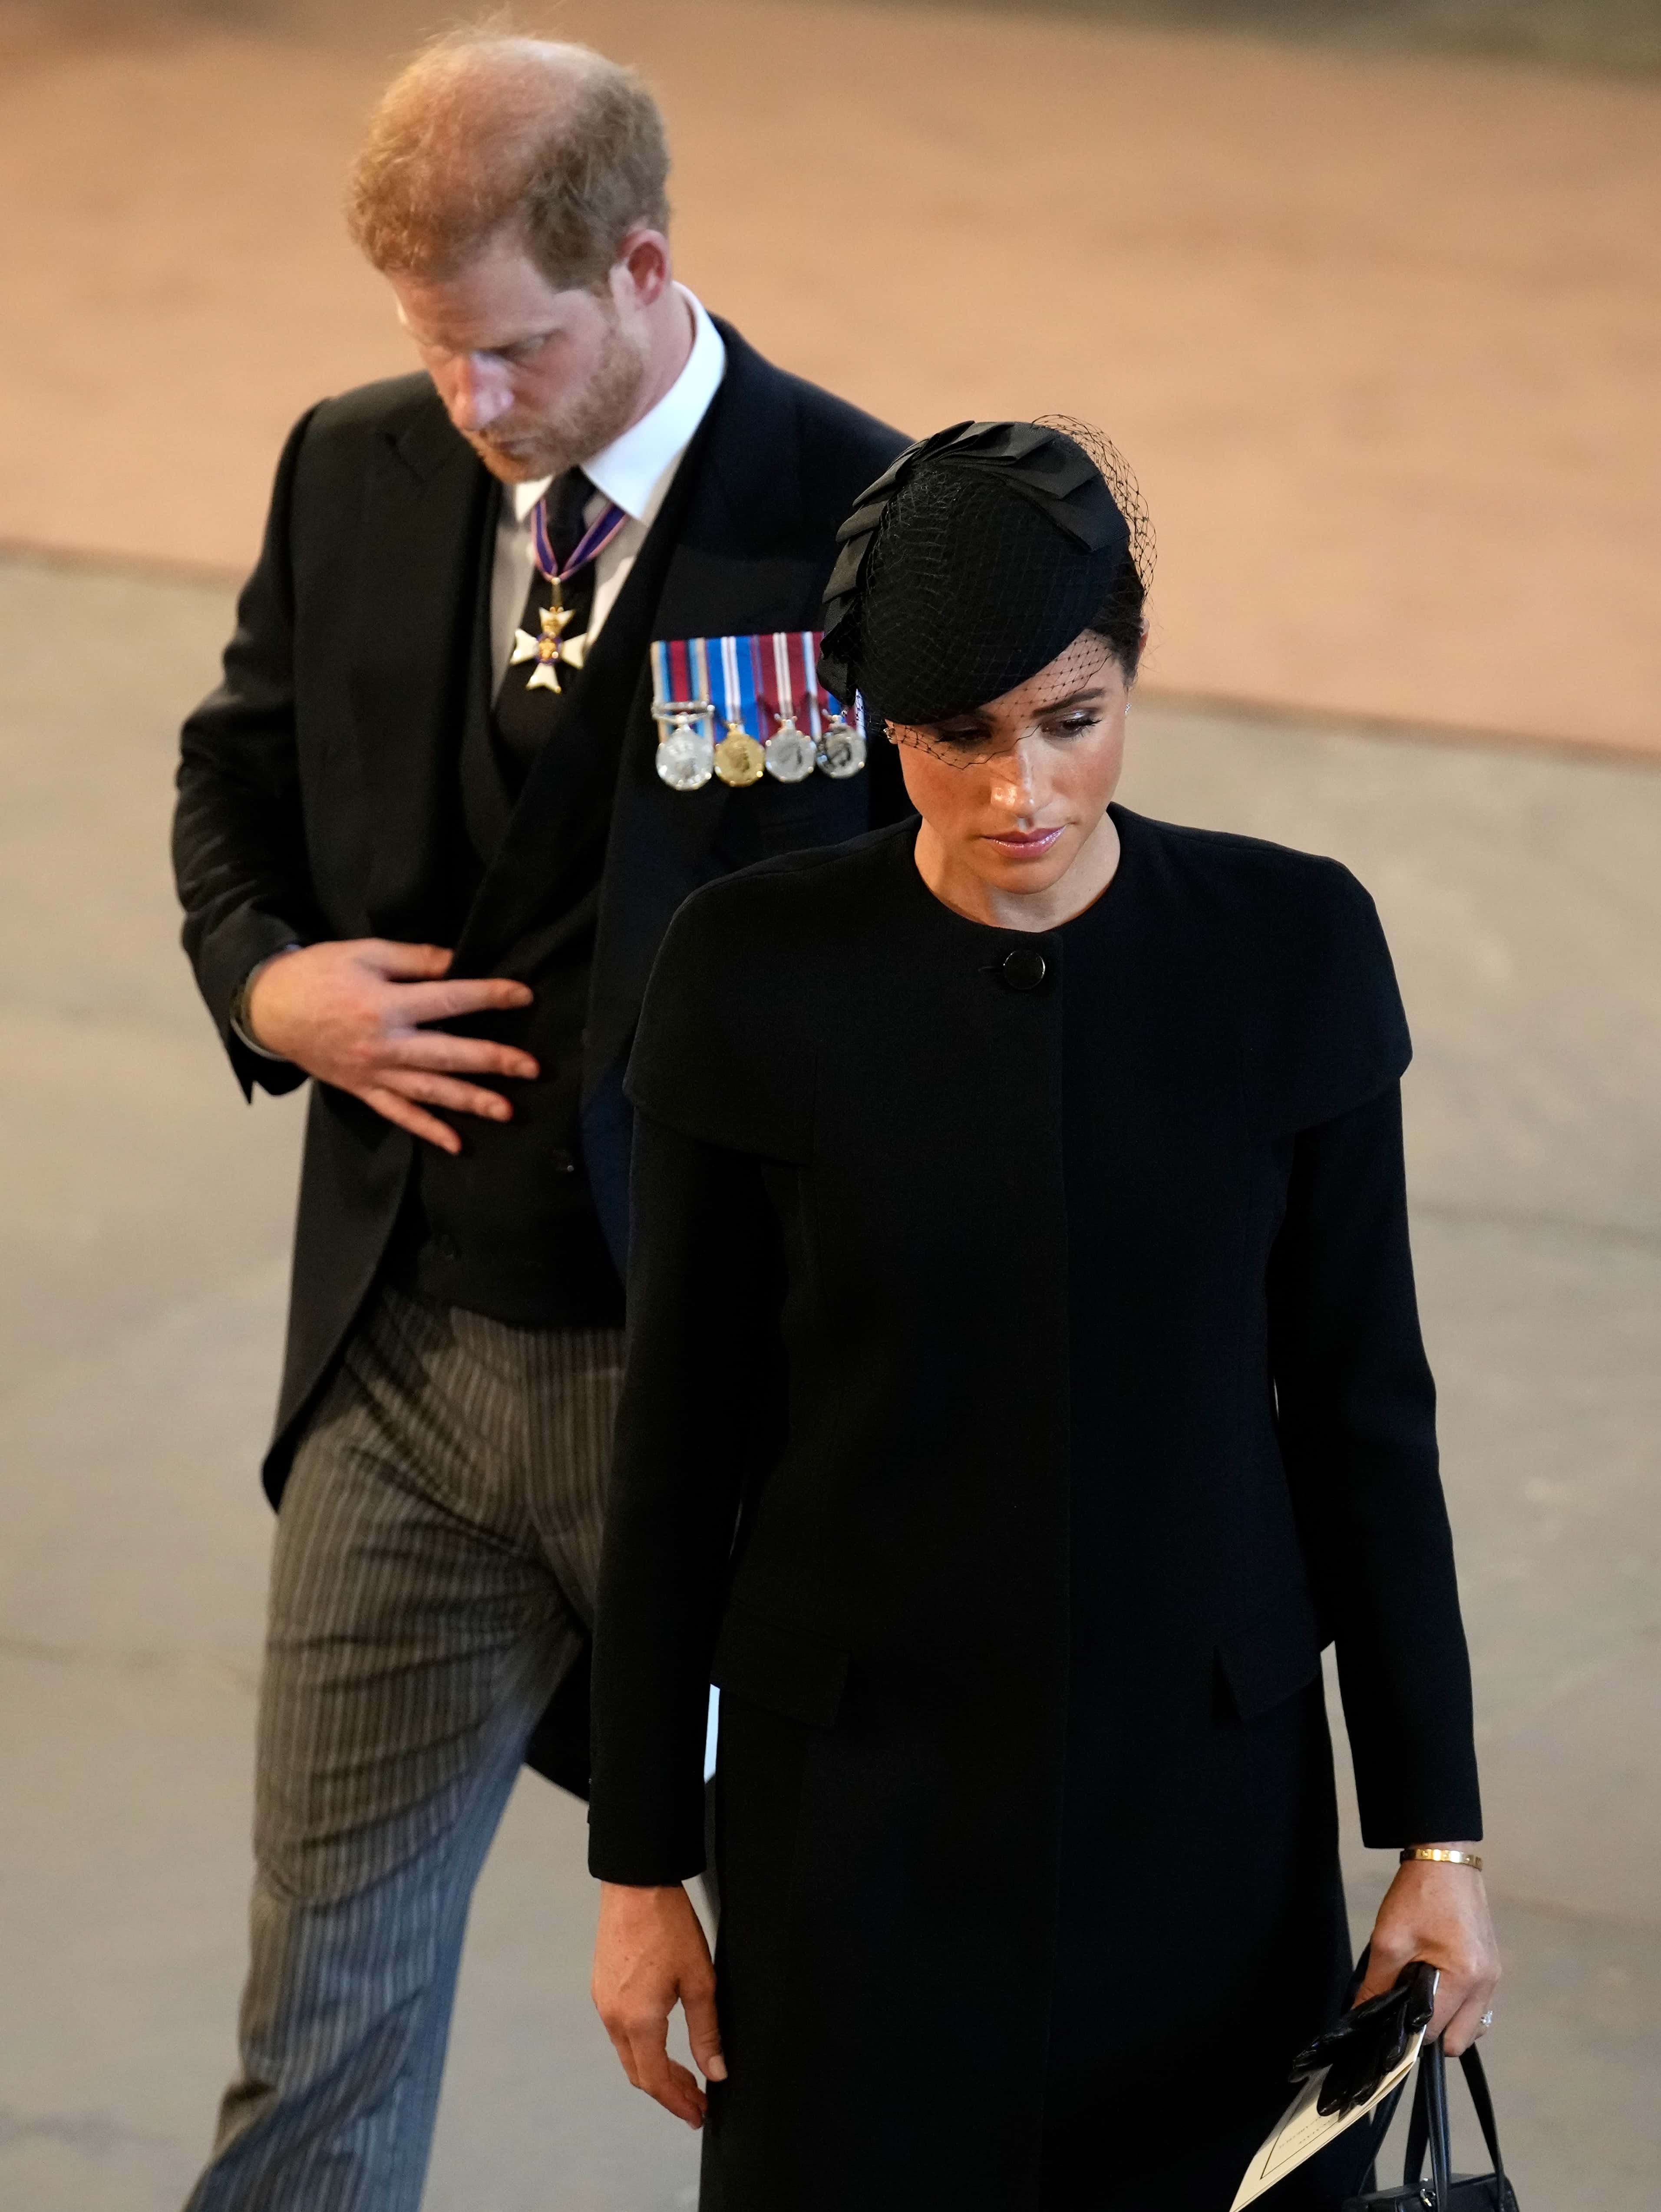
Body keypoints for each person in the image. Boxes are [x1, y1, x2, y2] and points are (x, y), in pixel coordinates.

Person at [587, 421, 1502, 2210]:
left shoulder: (1291, 949)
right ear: (880, 725)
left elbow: (1364, 1415)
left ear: (1130, 672)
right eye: (957, 740)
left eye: (1071, 717)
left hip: (1206, 1834)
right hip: (853, 1832)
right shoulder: (751, 973)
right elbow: (679, 1445)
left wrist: (1435, 1830)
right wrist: (641, 1866)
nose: (1021, 788)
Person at [171, 30, 906, 2207]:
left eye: (507, 350)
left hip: (716, 1404)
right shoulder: (357, 465)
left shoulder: (861, 521)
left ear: (646, 264)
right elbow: (236, 767)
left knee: (793, 2020)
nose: (468, 406)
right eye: (429, 350)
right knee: (315, 2030)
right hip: (396, 1371)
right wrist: (264, 981)